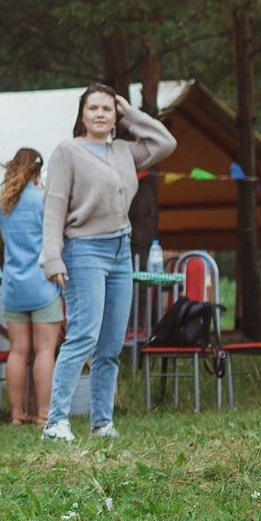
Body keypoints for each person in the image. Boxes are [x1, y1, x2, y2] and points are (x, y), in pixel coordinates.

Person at [38, 85, 177, 443]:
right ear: (82, 115)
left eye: (107, 109)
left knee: (111, 343)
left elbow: (166, 143)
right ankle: (56, 423)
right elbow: (54, 206)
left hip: (121, 251)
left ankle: (102, 423)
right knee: (83, 336)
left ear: (116, 116)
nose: (100, 114)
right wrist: (52, 256)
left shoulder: (124, 151)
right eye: (93, 108)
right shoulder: (67, 151)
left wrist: (132, 114)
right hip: (83, 250)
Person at [0, 147, 61, 426]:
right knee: (45, 351)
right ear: (37, 169)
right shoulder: (43, 200)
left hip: (13, 286)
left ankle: (17, 413)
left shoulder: (2, 204)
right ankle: (44, 413)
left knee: (18, 352)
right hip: (43, 284)